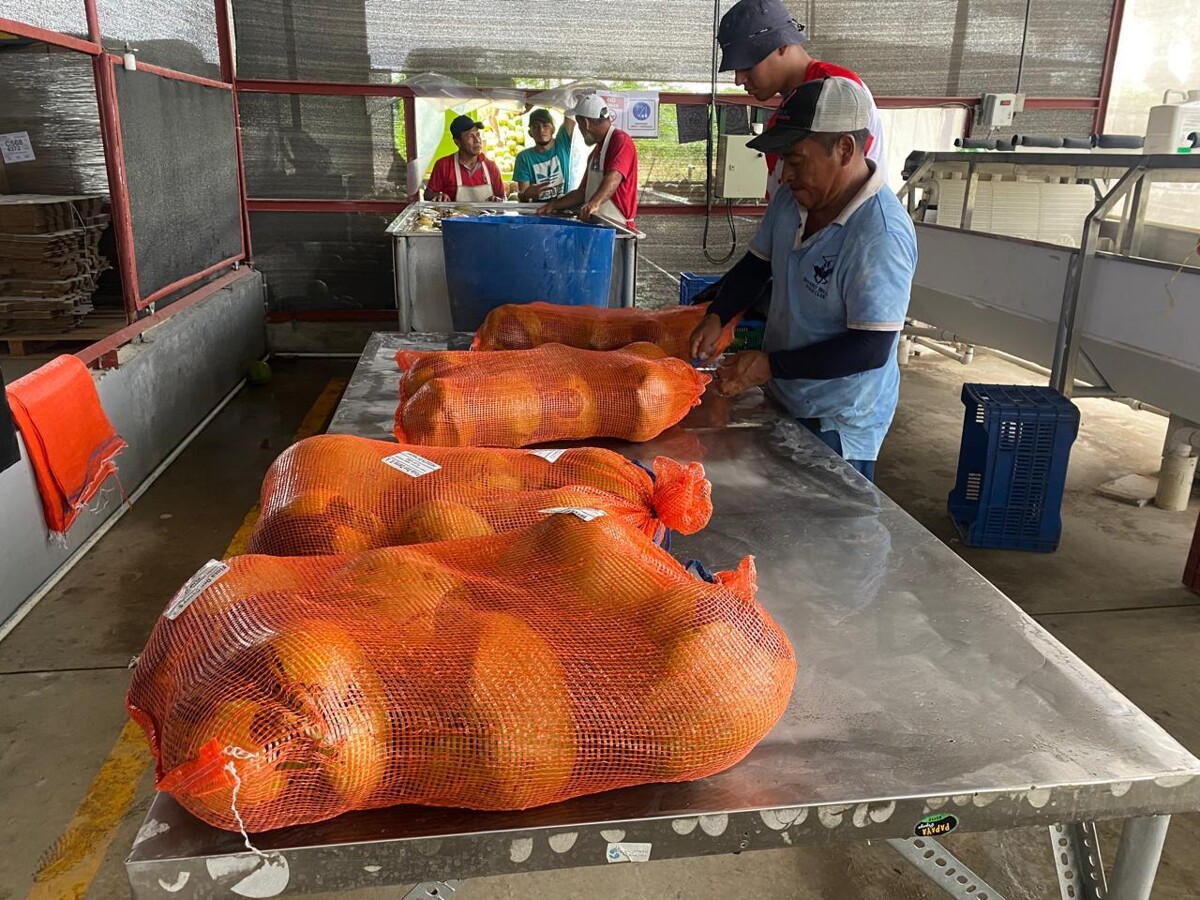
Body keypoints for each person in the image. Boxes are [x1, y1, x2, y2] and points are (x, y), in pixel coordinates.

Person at [689, 79, 916, 482]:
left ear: (845, 149)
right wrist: (718, 314)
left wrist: (769, 365)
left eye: (796, 161)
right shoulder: (794, 198)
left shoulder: (879, 234)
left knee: (823, 531)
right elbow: (757, 264)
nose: (785, 175)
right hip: (786, 392)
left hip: (838, 420)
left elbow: (871, 347)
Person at [717, 0, 887, 196]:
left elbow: (841, 194)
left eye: (747, 65)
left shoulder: (837, 92)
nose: (739, 80)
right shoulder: (783, 119)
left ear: (781, 45)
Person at [537, 93, 638, 229]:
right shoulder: (595, 153)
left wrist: (595, 203)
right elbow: (583, 192)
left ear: (585, 123)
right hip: (599, 225)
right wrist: (553, 205)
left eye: (579, 124)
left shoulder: (621, 141)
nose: (580, 130)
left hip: (618, 228)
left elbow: (614, 177)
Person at [425, 114, 505, 203]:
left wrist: (498, 200)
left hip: (486, 217)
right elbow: (428, 195)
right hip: (453, 216)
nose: (477, 140)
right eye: (470, 136)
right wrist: (438, 196)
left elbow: (502, 198)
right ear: (457, 142)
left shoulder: (490, 166)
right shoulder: (443, 165)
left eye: (478, 135)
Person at [513, 108, 575, 202]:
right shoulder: (524, 157)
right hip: (538, 212)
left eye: (545, 126)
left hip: (563, 208)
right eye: (536, 126)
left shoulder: (562, 143)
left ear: (553, 129)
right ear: (530, 133)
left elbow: (571, 108)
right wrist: (526, 194)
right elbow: (524, 196)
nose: (541, 130)